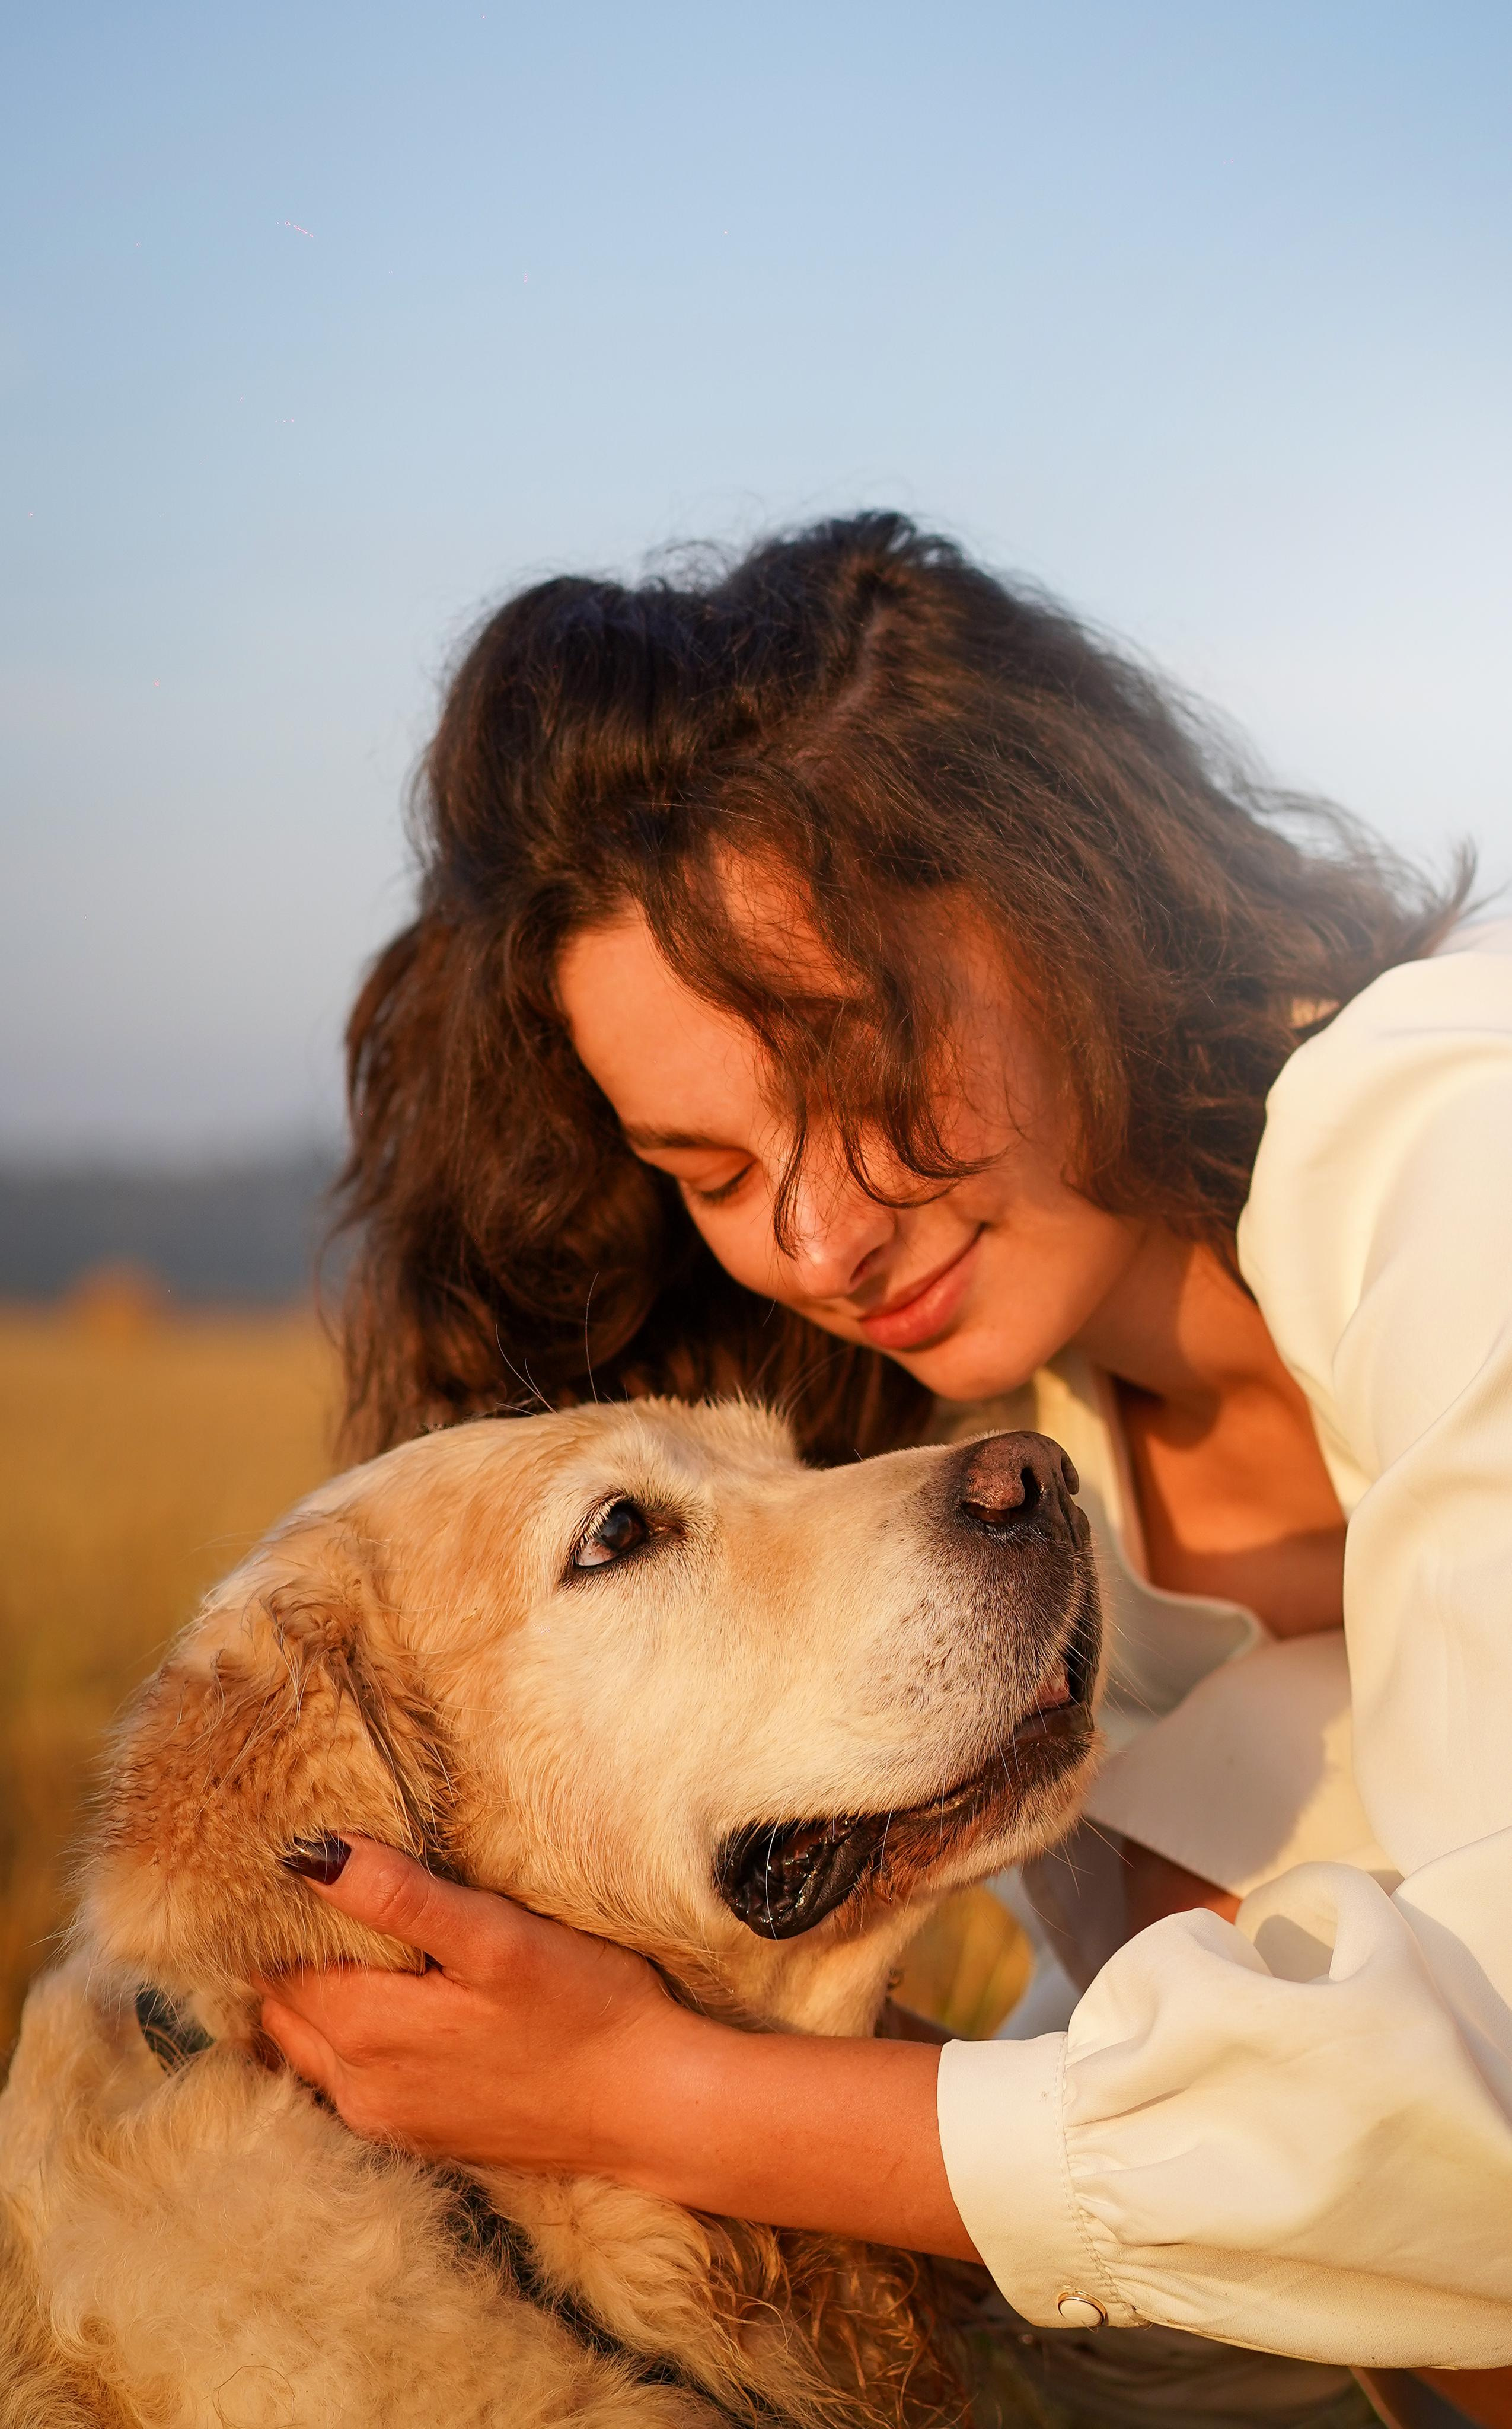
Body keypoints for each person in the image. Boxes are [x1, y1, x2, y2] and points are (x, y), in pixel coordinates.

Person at [260, 515, 1512, 2411]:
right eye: (715, 1173)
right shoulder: (1003, 1461)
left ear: (1059, 892)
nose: (823, 1241)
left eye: (853, 1074)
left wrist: (661, 2096)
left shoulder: (1454, 1139)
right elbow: (1202, 2278)